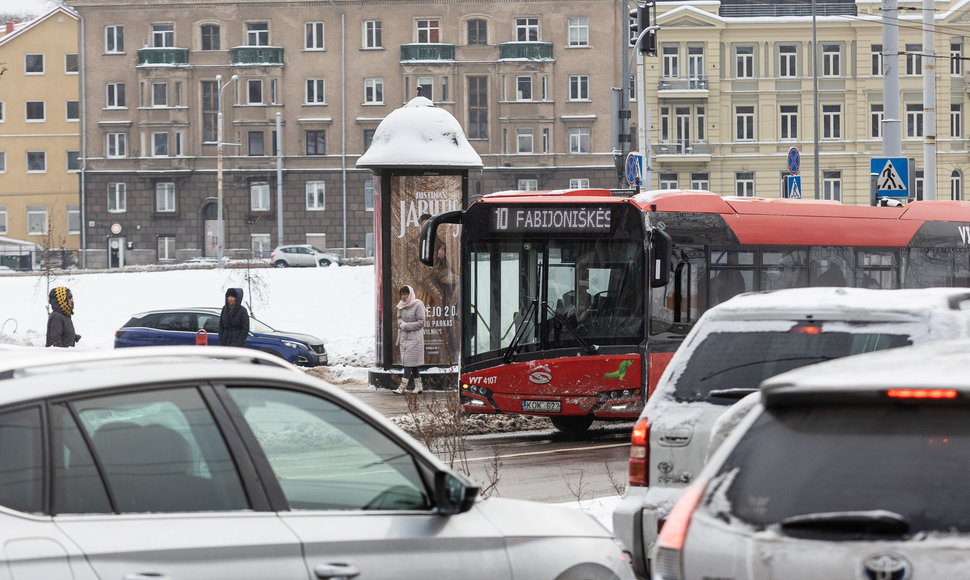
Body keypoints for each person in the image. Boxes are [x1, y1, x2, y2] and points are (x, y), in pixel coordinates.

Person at [395, 285, 426, 394]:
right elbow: (398, 318)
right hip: (404, 338)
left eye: (405, 294)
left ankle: (402, 387)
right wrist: (401, 324)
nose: (403, 297)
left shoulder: (417, 304)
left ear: (410, 294)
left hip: (415, 338)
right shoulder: (401, 305)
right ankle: (419, 386)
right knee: (412, 364)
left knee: (408, 362)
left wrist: (407, 326)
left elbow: (421, 322)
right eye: (402, 294)